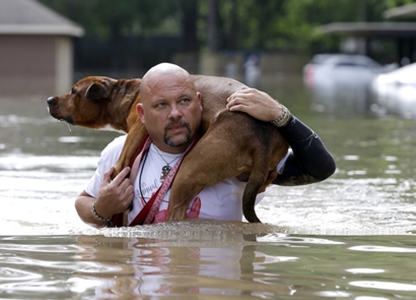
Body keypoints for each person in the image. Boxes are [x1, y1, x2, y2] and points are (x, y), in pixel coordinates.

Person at [75, 63, 336, 228]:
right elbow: (82, 203)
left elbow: (320, 168)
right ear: (142, 113)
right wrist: (101, 209)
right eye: (162, 105)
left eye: (184, 101)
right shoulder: (119, 152)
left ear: (200, 103)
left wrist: (283, 116)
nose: (175, 113)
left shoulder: (230, 156)